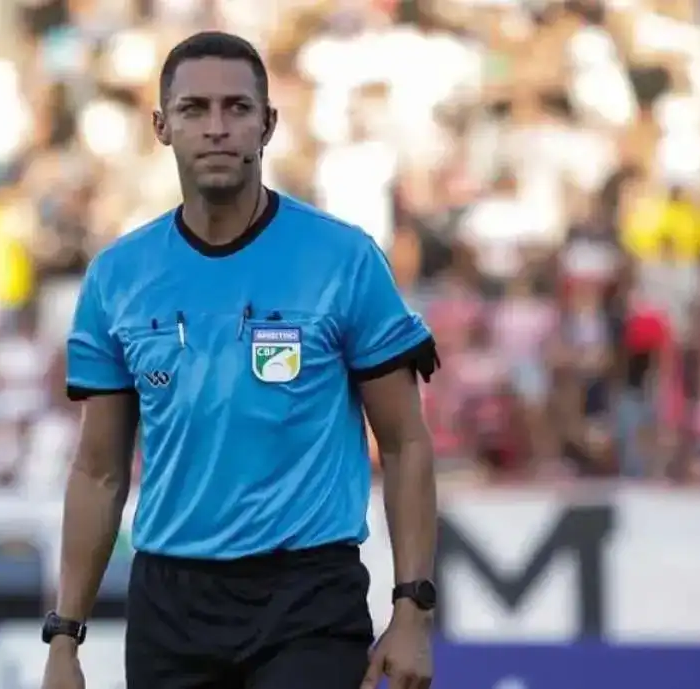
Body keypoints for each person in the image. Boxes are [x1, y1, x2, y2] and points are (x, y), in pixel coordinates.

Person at [41, 31, 439, 689]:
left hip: (308, 595)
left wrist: (412, 611)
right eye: (195, 109)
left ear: (268, 124)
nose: (218, 127)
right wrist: (64, 639)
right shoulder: (117, 277)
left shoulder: (344, 260)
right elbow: (99, 472)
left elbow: (405, 443)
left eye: (237, 108)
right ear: (162, 126)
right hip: (170, 604)